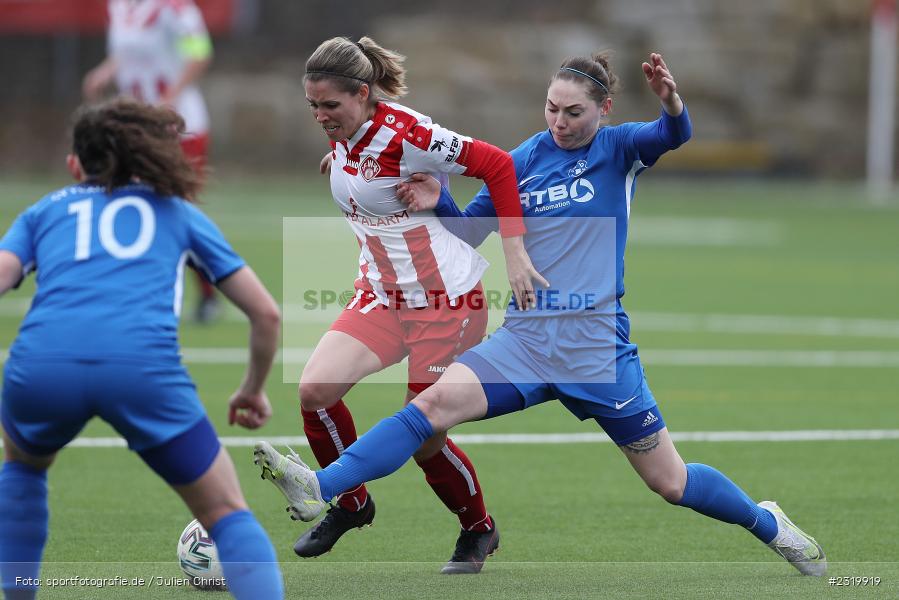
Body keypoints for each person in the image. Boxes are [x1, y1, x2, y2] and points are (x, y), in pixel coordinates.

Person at [254, 52, 828, 577]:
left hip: (596, 349)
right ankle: (319, 485)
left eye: (574, 111)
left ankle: (767, 522)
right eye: (551, 108)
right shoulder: (526, 158)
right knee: (427, 409)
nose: (559, 121)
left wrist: (672, 102)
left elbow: (674, 133)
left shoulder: (620, 147)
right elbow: (470, 232)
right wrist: (440, 202)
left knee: (671, 483)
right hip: (525, 344)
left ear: (603, 109)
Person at [254, 36, 542, 574]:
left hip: (445, 302)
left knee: (424, 437)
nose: (320, 116)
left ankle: (479, 529)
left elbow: (498, 165)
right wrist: (340, 158)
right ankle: (352, 503)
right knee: (316, 390)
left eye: (330, 106)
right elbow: (365, 169)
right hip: (382, 296)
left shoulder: (410, 134)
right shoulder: (347, 134)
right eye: (312, 106)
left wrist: (513, 250)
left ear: (362, 94)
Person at [0, 99, 284, 600]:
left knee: (23, 470)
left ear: (74, 165)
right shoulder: (179, 214)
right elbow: (266, 314)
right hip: (142, 372)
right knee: (225, 511)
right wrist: (251, 389)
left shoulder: (44, 210)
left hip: (42, 366)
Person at [82, 0, 220, 323]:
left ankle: (209, 293)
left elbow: (200, 53)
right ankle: (131, 294)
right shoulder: (118, 6)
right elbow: (127, 53)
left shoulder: (174, 7)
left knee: (178, 211)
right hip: (134, 126)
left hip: (178, 126)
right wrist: (105, 72)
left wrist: (169, 97)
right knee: (125, 203)